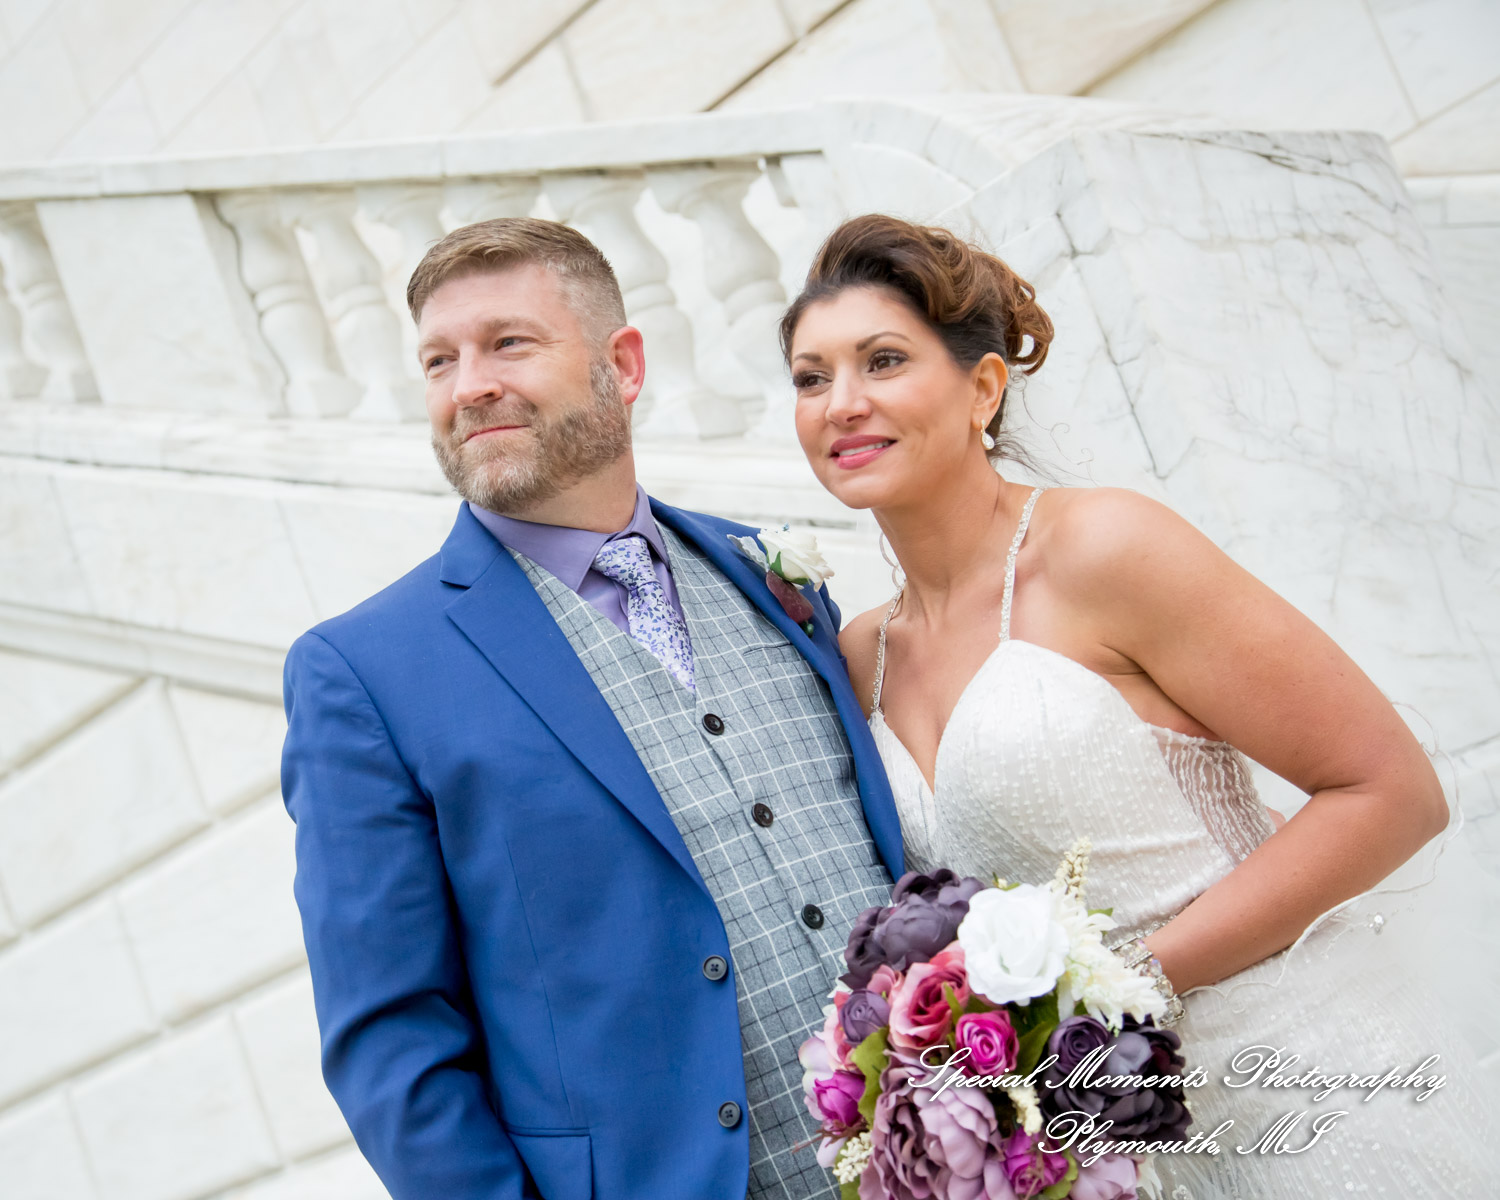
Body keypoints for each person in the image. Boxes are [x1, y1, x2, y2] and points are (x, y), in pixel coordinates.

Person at [780, 213, 1500, 1196]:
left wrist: (1116, 993)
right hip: (1109, 1152)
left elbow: (1391, 792)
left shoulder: (1103, 549)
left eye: (884, 361)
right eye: (810, 377)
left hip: (1311, 1095)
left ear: (983, 387)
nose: (842, 404)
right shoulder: (861, 653)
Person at [279, 218, 907, 1200]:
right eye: (439, 360)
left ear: (623, 365)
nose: (468, 385)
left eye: (507, 343)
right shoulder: (363, 672)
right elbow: (392, 1048)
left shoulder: (765, 573)